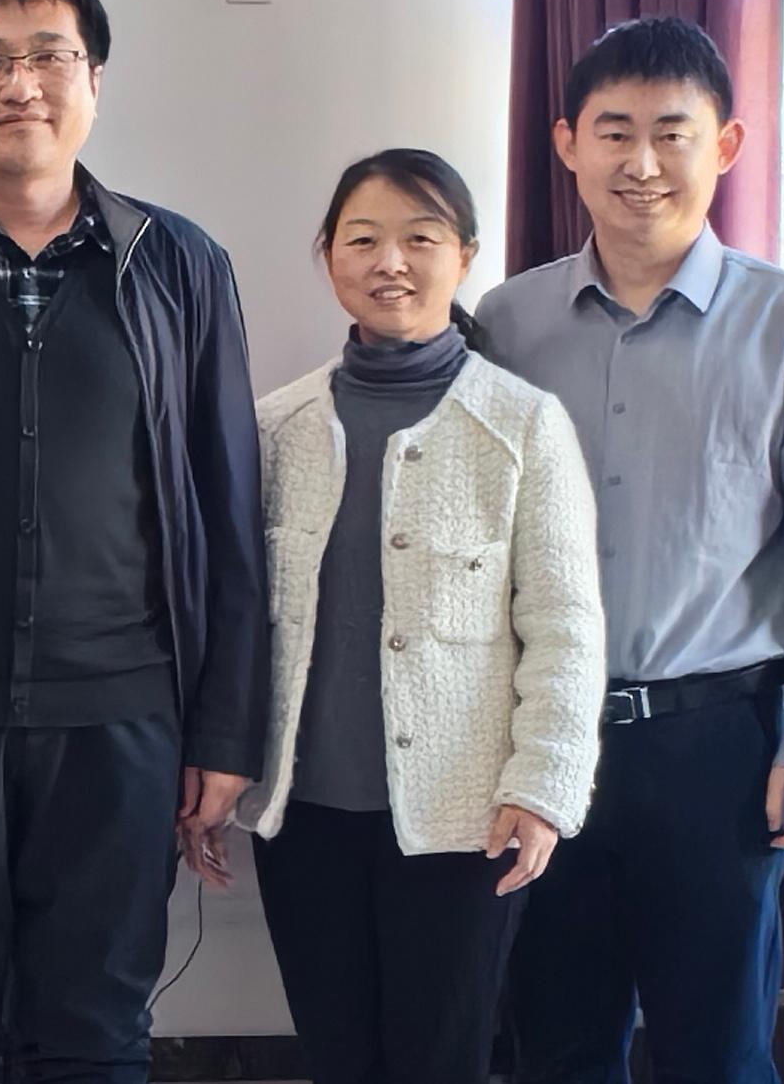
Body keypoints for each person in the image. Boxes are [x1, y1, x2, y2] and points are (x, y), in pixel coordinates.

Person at [0, 0, 268, 1084]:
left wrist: (224, 734)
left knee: (96, 1028)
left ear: (94, 84)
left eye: (48, 58)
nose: (20, 83)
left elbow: (227, 508)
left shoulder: (177, 265)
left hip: (122, 718)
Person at [482, 16, 784, 1084]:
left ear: (727, 145)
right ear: (568, 144)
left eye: (672, 132)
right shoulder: (508, 324)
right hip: (545, 741)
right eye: (614, 131)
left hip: (717, 748)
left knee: (718, 1054)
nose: (642, 162)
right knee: (558, 1046)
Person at [210, 148, 603, 1084]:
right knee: (336, 1056)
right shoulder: (274, 427)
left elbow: (566, 626)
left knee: (440, 1060)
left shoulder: (523, 424)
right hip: (305, 814)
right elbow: (234, 622)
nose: (391, 262)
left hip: (465, 822)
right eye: (363, 240)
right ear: (329, 258)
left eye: (420, 239)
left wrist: (543, 786)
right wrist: (214, 768)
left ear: (464, 255)